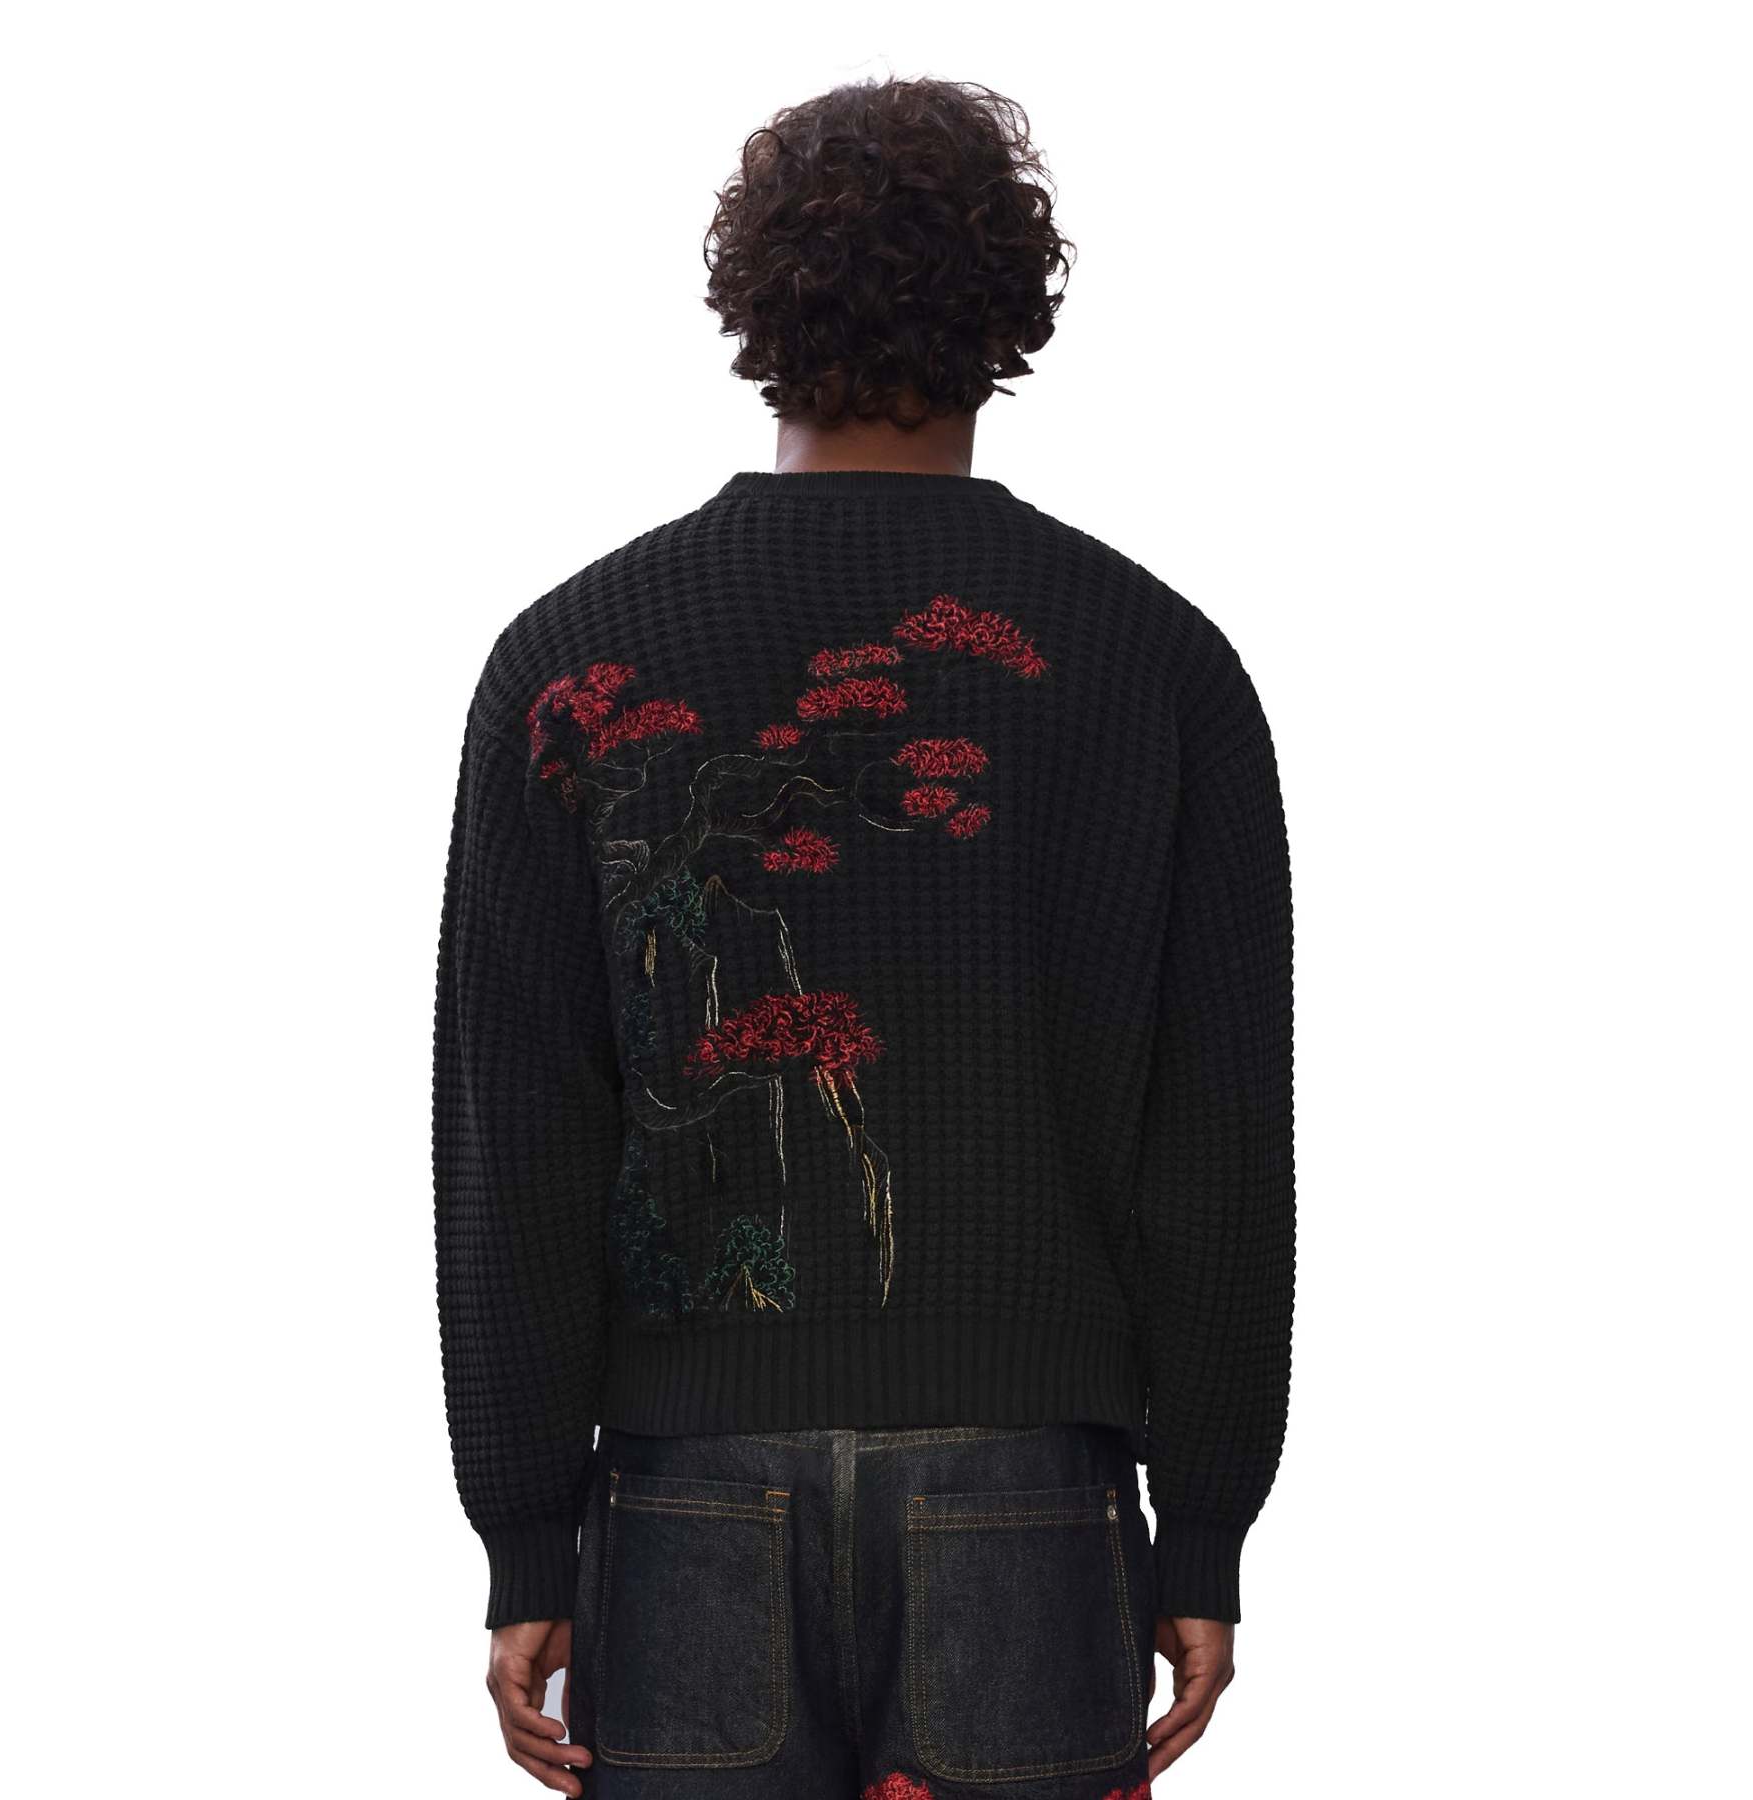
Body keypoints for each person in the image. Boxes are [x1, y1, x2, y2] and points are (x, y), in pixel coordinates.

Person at [433, 75, 1295, 1798]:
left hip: (683, 1495)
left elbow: (516, 1140)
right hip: (1030, 1492)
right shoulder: (1160, 664)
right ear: (1010, 312)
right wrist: (1203, 1528)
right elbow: (1214, 1144)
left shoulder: (568, 659)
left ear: (753, 305)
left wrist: (526, 1535)